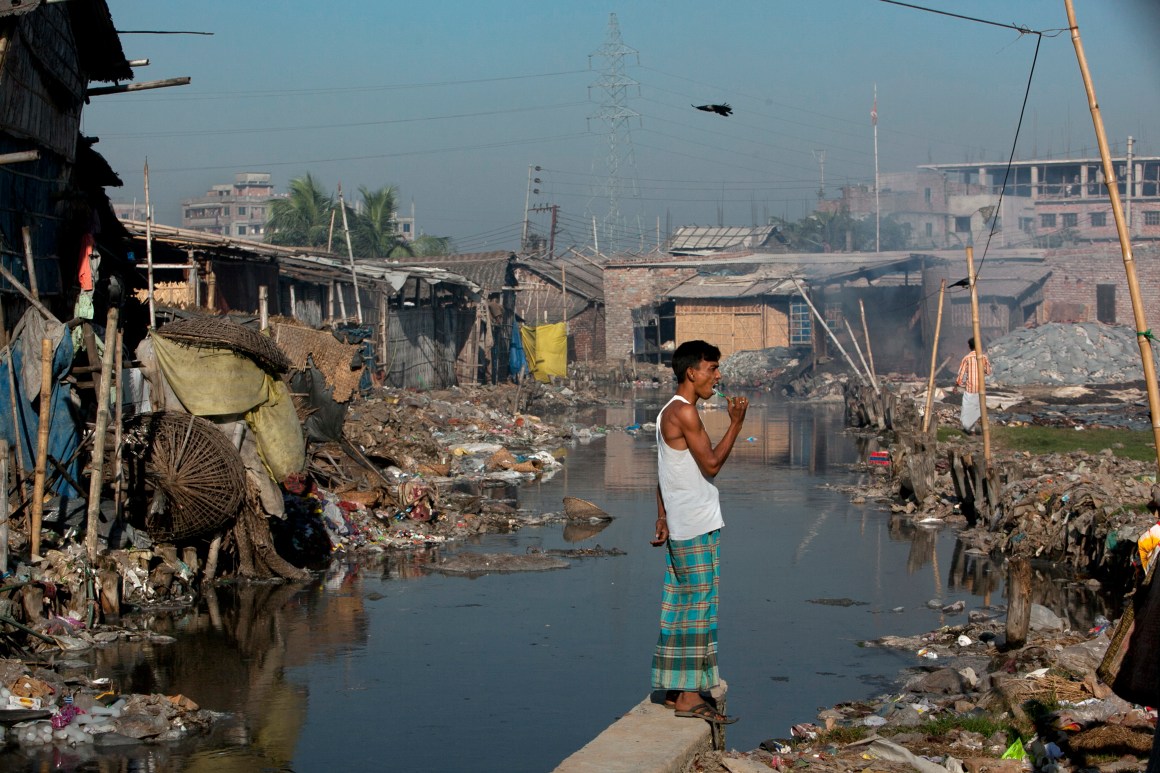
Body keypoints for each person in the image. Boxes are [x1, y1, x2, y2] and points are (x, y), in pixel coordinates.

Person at [650, 340, 748, 725]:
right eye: (712, 368)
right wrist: (736, 423)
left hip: (681, 522)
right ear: (692, 372)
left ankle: (676, 689)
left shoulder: (667, 412)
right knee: (698, 609)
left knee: (680, 606)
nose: (717, 376)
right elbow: (711, 465)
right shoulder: (685, 412)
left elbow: (663, 471)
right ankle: (690, 695)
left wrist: (661, 517)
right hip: (695, 525)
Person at [955, 337, 991, 434]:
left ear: (969, 346)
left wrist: (957, 385)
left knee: (968, 409)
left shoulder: (967, 358)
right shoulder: (984, 358)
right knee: (978, 409)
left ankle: (971, 430)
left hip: (970, 389)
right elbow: (988, 371)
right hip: (981, 390)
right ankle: (980, 429)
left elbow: (961, 375)